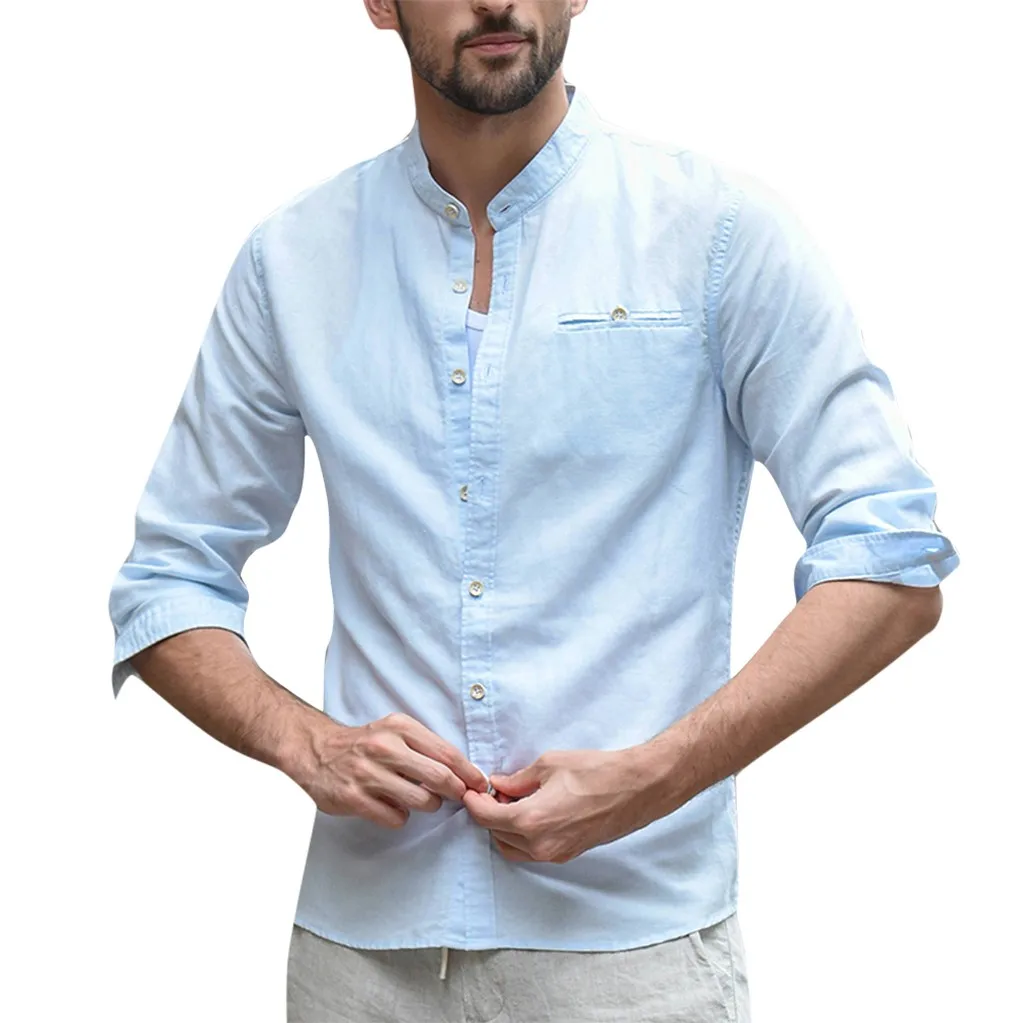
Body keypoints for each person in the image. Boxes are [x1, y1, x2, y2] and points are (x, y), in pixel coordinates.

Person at [107, 2, 960, 1020]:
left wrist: (657, 776)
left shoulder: (715, 231)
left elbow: (891, 553)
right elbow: (169, 577)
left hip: (632, 958)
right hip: (360, 960)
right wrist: (305, 741)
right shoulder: (292, 260)